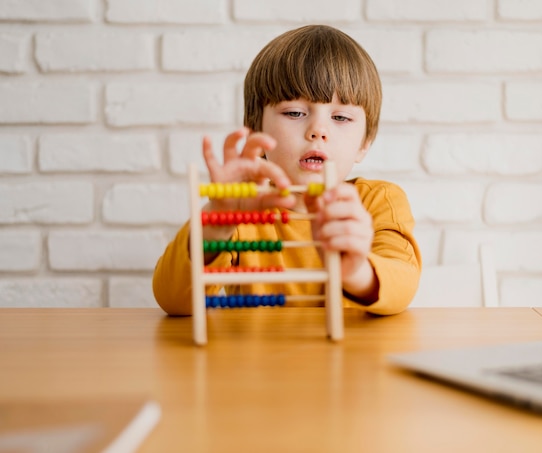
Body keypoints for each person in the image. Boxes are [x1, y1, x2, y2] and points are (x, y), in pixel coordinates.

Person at [153, 24, 421, 316]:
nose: (318, 130)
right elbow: (173, 300)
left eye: (341, 117)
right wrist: (218, 220)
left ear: (364, 143)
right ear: (257, 129)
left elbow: (403, 284)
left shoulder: (378, 202)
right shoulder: (240, 210)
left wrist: (357, 271)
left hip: (351, 361)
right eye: (294, 113)